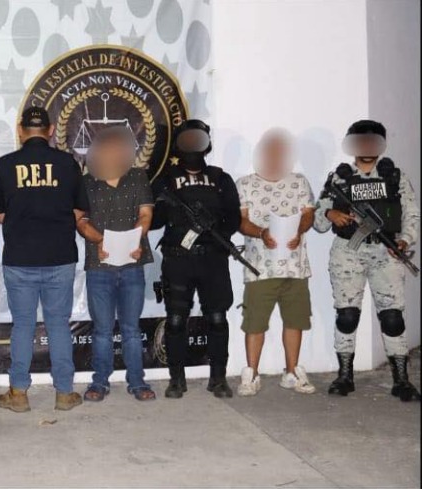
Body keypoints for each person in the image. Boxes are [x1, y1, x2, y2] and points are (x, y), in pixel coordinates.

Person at [0, 107, 88, 412]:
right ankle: (64, 393)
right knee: (58, 325)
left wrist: (22, 223)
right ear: (51, 129)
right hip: (59, 256)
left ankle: (18, 393)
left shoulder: (7, 164)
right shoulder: (67, 163)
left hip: (20, 257)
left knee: (23, 325)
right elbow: (79, 211)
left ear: (20, 130)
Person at [314, 120, 420, 401]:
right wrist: (330, 214)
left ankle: (402, 380)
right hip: (348, 252)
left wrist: (405, 240)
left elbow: (412, 214)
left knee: (393, 318)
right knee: (347, 315)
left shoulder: (395, 177)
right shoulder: (339, 179)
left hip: (386, 254)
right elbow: (318, 221)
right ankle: (344, 376)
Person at [151, 119, 241, 399]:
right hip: (178, 259)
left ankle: (218, 378)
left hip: (212, 259)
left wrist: (213, 229)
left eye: (197, 139)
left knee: (217, 318)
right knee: (176, 320)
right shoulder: (166, 180)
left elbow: (234, 218)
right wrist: (170, 209)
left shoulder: (220, 178)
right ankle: (176, 379)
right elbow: (154, 221)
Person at [76, 126, 157, 402]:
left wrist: (136, 239)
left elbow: (146, 215)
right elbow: (80, 221)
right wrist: (101, 241)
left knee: (131, 329)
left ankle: (137, 382)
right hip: (99, 267)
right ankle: (99, 382)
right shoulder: (86, 182)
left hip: (133, 264)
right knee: (101, 330)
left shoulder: (137, 177)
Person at [235, 129, 316, 396]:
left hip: (296, 267)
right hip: (260, 269)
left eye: (280, 151)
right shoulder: (245, 184)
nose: (274, 155)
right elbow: (241, 221)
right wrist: (261, 233)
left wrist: (299, 231)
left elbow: (309, 214)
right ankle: (251, 374)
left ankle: (292, 372)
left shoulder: (299, 181)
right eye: (270, 151)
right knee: (254, 323)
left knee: (295, 321)